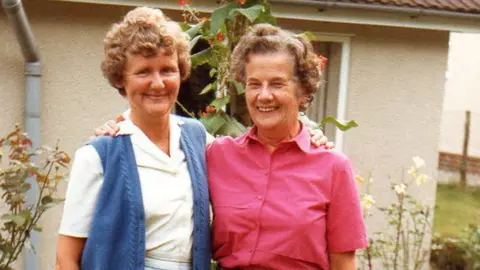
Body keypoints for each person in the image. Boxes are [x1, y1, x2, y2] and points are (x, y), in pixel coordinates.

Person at [56, 7, 211, 270]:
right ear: (121, 79)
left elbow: (250, 155)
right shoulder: (98, 155)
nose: (158, 83)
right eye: (143, 72)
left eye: (167, 70)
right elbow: (65, 259)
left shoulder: (198, 138)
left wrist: (306, 134)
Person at [207, 24, 367, 270]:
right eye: (254, 84)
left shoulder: (333, 168)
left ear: (302, 91)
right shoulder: (218, 155)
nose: (264, 95)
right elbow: (163, 140)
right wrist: (128, 122)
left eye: (277, 84)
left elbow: (343, 264)